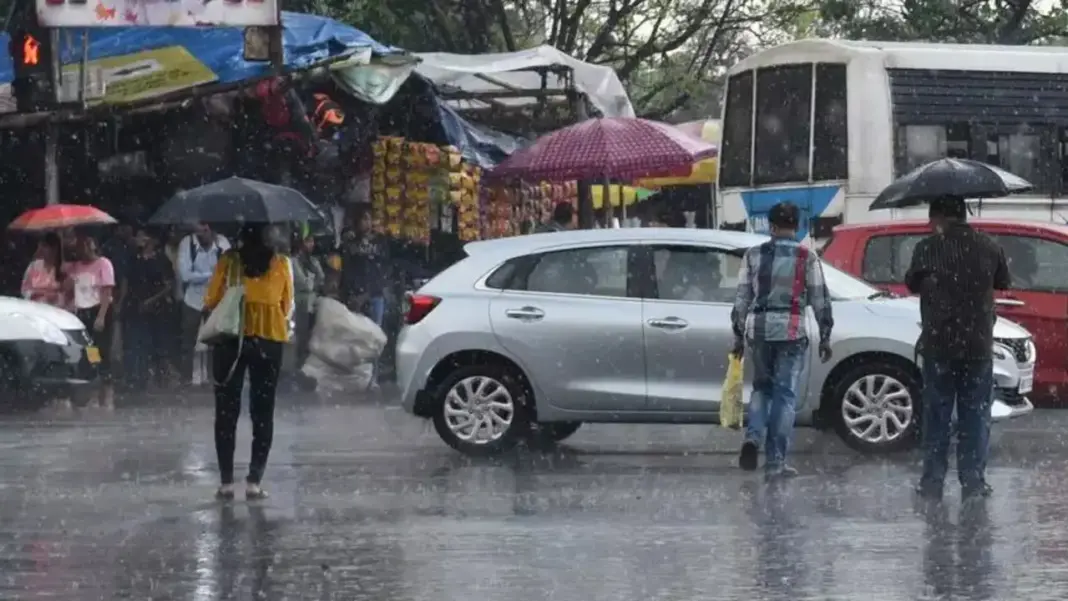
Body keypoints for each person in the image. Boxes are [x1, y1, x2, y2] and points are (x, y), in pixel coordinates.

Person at [906, 196, 1011, 500]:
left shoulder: (926, 249)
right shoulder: (989, 246)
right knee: (976, 416)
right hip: (977, 343)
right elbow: (1003, 280)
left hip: (938, 343)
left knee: (937, 415)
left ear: (938, 217)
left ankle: (932, 483)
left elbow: (911, 283)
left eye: (931, 218)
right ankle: (974, 482)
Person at [732, 202, 834, 480]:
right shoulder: (806, 257)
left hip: (760, 330)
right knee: (785, 395)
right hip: (791, 330)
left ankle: (753, 437)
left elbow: (742, 298)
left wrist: (738, 334)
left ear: (771, 226)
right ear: (798, 226)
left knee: (761, 389)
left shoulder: (753, 256)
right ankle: (775, 462)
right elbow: (819, 299)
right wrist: (825, 335)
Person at [203, 224, 292, 501]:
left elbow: (211, 299)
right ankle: (254, 481)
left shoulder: (229, 261)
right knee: (263, 412)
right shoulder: (281, 263)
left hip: (231, 340)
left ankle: (227, 482)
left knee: (226, 412)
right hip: (269, 341)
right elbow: (286, 305)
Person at [119, 228, 173, 392]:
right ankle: (136, 378)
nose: (140, 239)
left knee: (157, 344)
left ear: (153, 240)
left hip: (156, 308)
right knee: (135, 344)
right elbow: (125, 282)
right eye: (139, 235)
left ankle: (159, 378)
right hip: (134, 306)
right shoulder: (132, 258)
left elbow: (168, 285)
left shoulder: (161, 260)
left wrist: (151, 300)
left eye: (144, 236)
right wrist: (121, 303)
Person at [66, 235, 117, 408]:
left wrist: (101, 316)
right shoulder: (76, 266)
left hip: (99, 309)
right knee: (89, 348)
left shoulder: (104, 264)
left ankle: (105, 379)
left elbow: (107, 292)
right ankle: (94, 377)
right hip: (82, 311)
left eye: (87, 247)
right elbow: (67, 286)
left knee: (102, 347)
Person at [177, 222, 230, 386]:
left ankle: (216, 376)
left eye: (205, 231)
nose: (202, 235)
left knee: (216, 340)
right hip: (193, 299)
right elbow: (185, 275)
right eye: (199, 231)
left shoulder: (223, 244)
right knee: (188, 340)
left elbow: (229, 271)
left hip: (216, 299)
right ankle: (186, 378)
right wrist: (212, 275)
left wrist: (203, 276)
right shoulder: (187, 244)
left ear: (211, 231)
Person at [287, 227, 325, 376]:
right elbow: (302, 283)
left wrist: (313, 280)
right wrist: (311, 281)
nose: (311, 244)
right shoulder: (293, 261)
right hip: (300, 303)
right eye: (307, 241)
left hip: (312, 303)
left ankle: (306, 368)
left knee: (312, 336)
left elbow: (321, 278)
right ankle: (297, 368)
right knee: (300, 337)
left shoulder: (313, 261)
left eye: (312, 241)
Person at [22, 233, 67, 307]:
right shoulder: (33, 266)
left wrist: (55, 297)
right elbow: (24, 289)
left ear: (54, 249)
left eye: (45, 246)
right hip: (35, 307)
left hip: (55, 309)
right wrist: (37, 293)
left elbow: (67, 295)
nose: (41, 249)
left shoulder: (64, 269)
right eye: (41, 246)